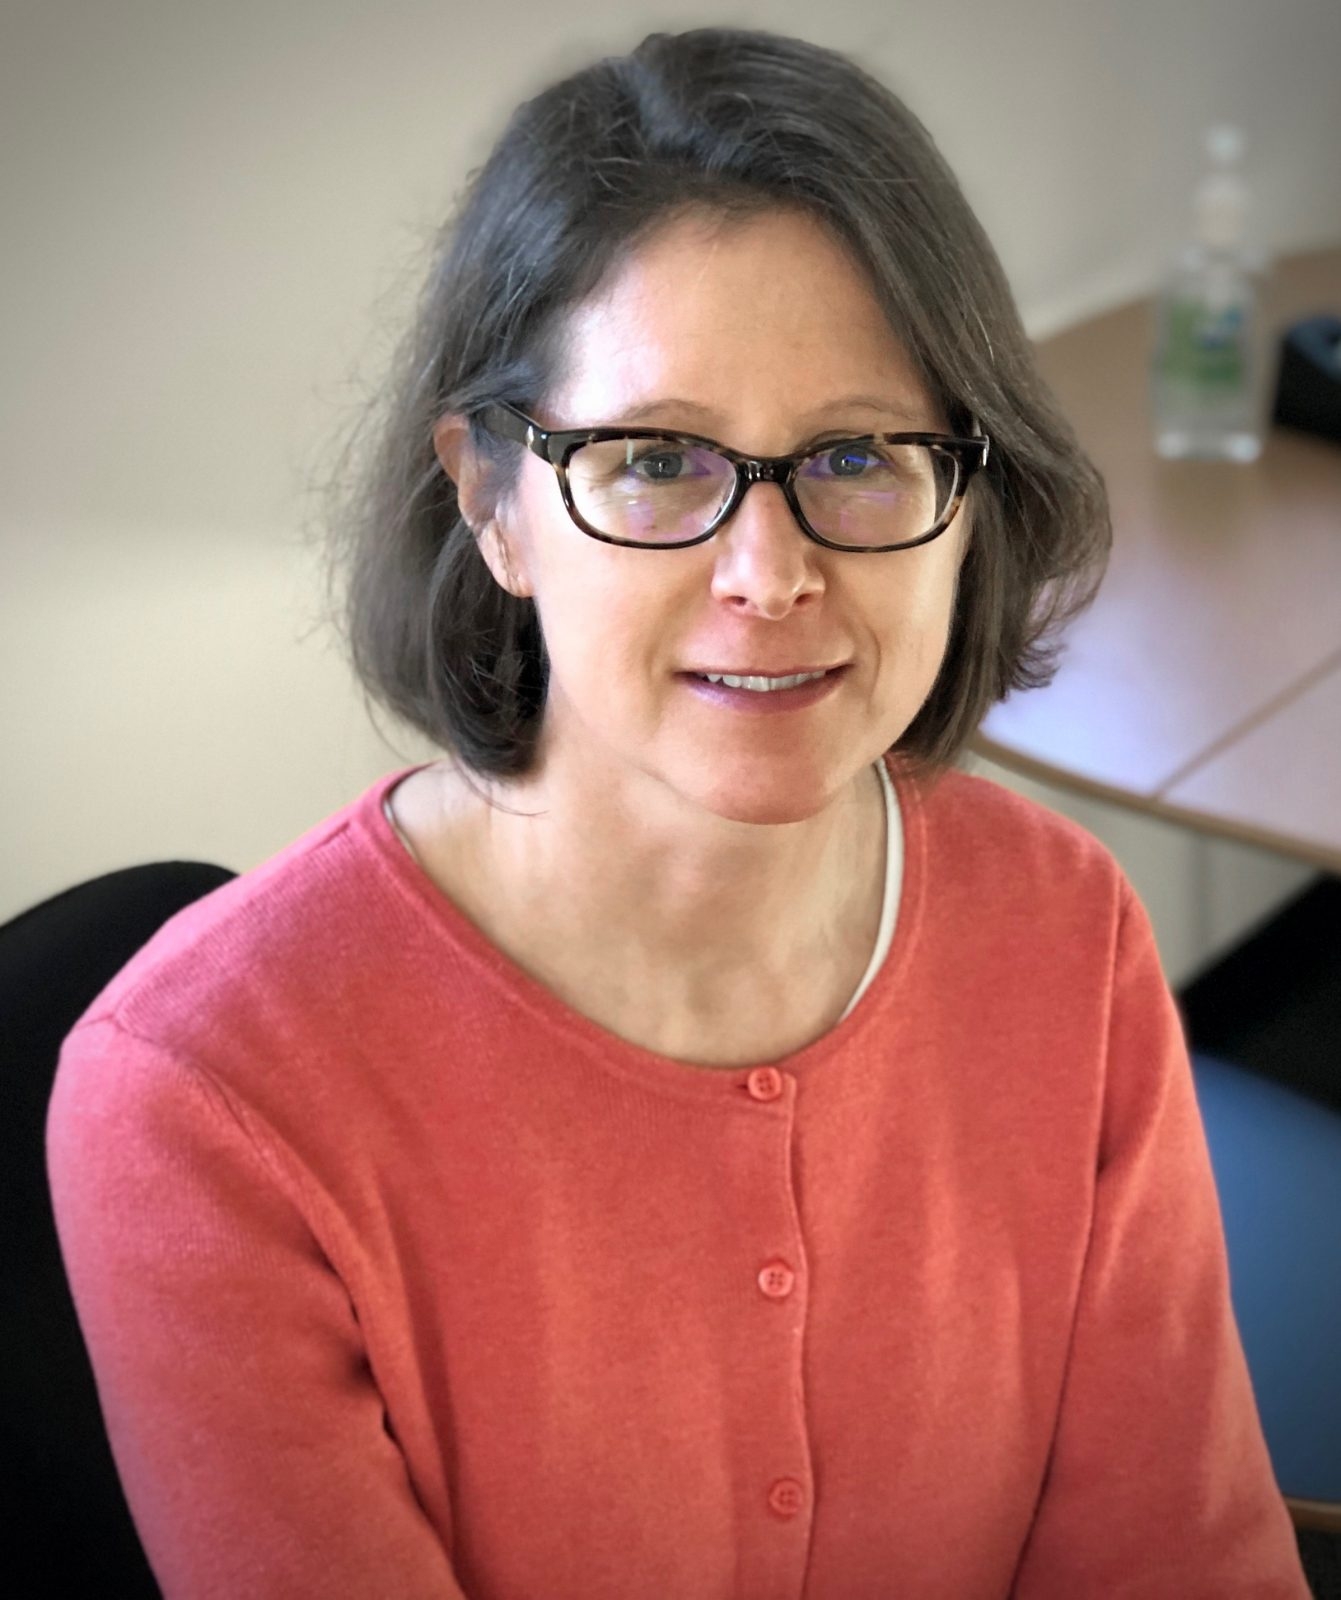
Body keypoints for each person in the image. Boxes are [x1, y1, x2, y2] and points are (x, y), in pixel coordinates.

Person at [46, 25, 1310, 1600]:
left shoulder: (1060, 924)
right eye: (653, 461)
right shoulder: (195, 1104)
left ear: (966, 495)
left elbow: (1177, 1565)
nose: (769, 576)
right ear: (492, 500)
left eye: (856, 454)